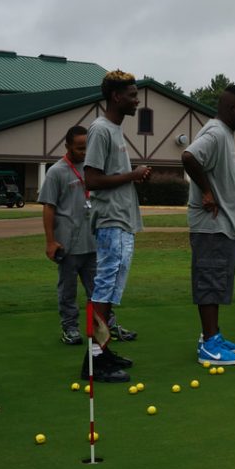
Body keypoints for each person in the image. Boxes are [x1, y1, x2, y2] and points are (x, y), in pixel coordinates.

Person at [83, 70, 151, 383]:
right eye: (133, 95)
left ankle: (103, 350)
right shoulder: (101, 129)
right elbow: (92, 179)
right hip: (111, 218)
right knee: (104, 286)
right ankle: (94, 359)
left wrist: (132, 176)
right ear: (116, 97)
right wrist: (133, 175)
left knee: (111, 287)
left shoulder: (114, 129)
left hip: (121, 218)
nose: (137, 100)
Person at [41, 125, 137, 346]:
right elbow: (48, 207)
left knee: (100, 289)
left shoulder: (94, 168)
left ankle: (108, 326)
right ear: (67, 146)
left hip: (94, 241)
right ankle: (70, 328)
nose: (84, 152)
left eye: (87, 147)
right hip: (68, 244)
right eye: (79, 148)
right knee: (67, 289)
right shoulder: (57, 171)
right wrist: (50, 241)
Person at [182, 85, 235, 365]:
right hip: (211, 226)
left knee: (216, 281)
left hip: (223, 226)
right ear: (231, 108)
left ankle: (212, 335)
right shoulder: (215, 132)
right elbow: (189, 157)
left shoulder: (224, 134)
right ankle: (209, 347)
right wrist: (208, 192)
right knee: (210, 282)